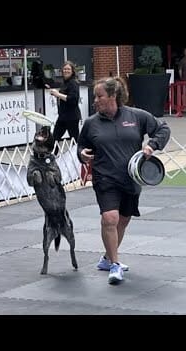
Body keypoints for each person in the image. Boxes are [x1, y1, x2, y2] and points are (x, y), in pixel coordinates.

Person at [77, 77, 170, 285]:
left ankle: (107, 258)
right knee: (110, 218)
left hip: (130, 178)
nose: (95, 100)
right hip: (104, 178)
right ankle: (115, 264)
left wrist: (151, 145)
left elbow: (163, 129)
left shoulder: (136, 116)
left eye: (99, 96)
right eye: (95, 96)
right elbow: (81, 145)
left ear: (113, 96)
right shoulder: (91, 123)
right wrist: (81, 153)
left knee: (123, 220)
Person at [49, 61, 81, 149]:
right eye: (64, 69)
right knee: (54, 138)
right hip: (62, 117)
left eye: (68, 69)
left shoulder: (73, 83)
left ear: (72, 71)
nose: (66, 71)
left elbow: (73, 100)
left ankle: (79, 160)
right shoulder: (64, 83)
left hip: (72, 117)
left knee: (75, 140)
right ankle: (52, 158)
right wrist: (56, 93)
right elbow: (64, 96)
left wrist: (58, 94)